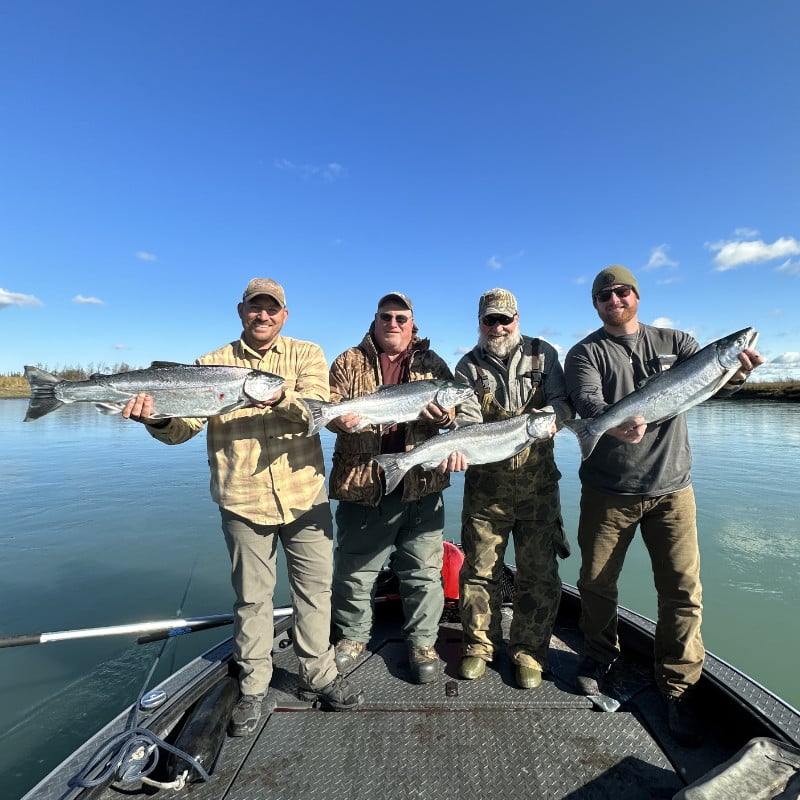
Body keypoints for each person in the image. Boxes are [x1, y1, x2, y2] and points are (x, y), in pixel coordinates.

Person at [122, 278, 363, 737]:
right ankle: (254, 688)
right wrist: (156, 417)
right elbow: (184, 427)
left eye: (272, 308)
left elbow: (318, 410)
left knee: (315, 594)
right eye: (256, 308)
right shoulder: (211, 364)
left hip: (304, 495)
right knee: (252, 599)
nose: (264, 315)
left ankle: (321, 677)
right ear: (241, 311)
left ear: (285, 315)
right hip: (242, 500)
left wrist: (278, 395)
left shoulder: (307, 354)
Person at [564, 265, 764, 746]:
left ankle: (679, 685)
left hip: (673, 488)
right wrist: (607, 425)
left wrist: (738, 371)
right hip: (608, 490)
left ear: (637, 295)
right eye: (604, 294)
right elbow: (588, 402)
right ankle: (599, 655)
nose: (614, 298)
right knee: (595, 581)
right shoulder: (585, 352)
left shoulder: (681, 342)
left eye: (622, 291)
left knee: (681, 590)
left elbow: (712, 385)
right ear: (596, 304)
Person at [327, 292, 459, 684]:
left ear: (412, 322)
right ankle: (351, 637)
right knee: (354, 571)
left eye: (402, 317)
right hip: (363, 484)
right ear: (376, 319)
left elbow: (454, 412)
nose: (394, 324)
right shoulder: (349, 360)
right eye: (387, 316)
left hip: (421, 486)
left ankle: (421, 642)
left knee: (421, 572)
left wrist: (446, 418)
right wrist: (339, 420)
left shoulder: (433, 365)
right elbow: (331, 405)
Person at [446, 288, 573, 690]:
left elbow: (564, 403)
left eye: (505, 319)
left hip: (539, 488)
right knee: (480, 573)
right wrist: (458, 447)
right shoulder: (467, 366)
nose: (498, 327)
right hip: (486, 490)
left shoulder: (544, 354)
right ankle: (480, 647)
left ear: (518, 318)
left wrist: (553, 417)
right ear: (479, 323)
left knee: (540, 574)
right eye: (490, 320)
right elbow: (466, 423)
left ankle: (529, 652)